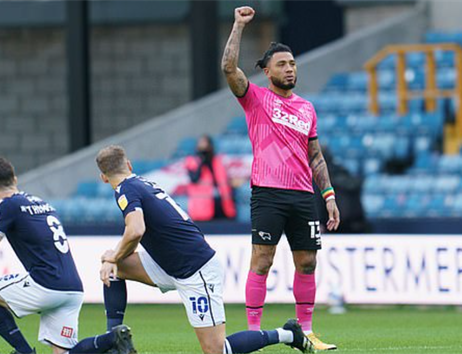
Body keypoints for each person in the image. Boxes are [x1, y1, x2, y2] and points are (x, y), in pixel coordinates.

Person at [96, 145, 313, 354]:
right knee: (115, 267)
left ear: (103, 177)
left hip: (195, 270)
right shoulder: (140, 183)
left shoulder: (126, 189)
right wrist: (114, 258)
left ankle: (288, 334)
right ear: (129, 165)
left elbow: (136, 230)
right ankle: (114, 339)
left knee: (216, 350)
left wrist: (114, 254)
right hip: (171, 264)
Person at [221, 6, 340, 351]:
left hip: (303, 195)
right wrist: (238, 26)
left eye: (293, 64)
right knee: (263, 259)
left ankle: (307, 331)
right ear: (267, 71)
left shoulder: (307, 108)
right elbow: (229, 67)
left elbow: (315, 156)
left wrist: (329, 196)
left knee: (308, 261)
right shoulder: (255, 99)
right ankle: (255, 331)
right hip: (268, 192)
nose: (290, 69)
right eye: (283, 65)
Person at [0, 157, 136, 354]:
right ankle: (112, 338)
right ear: (15, 179)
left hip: (45, 286)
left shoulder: (6, 205)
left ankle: (24, 352)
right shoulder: (42, 203)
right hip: (73, 288)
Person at [185, 135, 236, 221]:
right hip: (202, 206)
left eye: (205, 142)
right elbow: (194, 179)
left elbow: (223, 180)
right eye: (201, 143)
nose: (203, 145)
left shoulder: (218, 160)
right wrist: (201, 161)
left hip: (221, 203)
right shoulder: (192, 160)